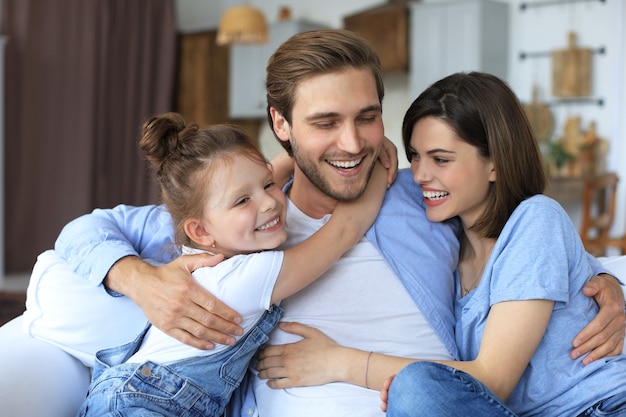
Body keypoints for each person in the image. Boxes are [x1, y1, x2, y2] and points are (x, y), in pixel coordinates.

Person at [0, 30, 623, 417]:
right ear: (282, 125)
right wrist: (137, 277)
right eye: (325, 123)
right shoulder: (243, 218)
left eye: (367, 116)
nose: (351, 142)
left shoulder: (420, 196)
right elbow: (81, 233)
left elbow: (526, 249)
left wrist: (609, 285)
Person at [75, 113, 388, 417]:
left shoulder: (203, 250)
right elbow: (345, 229)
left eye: (268, 184)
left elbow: (251, 184)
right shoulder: (248, 276)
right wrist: (372, 161)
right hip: (147, 405)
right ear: (201, 231)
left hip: (128, 394)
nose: (269, 202)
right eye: (242, 201)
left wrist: (322, 155)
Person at [378, 72, 626, 416]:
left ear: (494, 163)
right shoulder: (447, 251)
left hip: (600, 408)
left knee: (416, 388)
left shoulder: (536, 219)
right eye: (414, 156)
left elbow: (493, 379)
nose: (419, 174)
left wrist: (338, 363)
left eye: (441, 159)